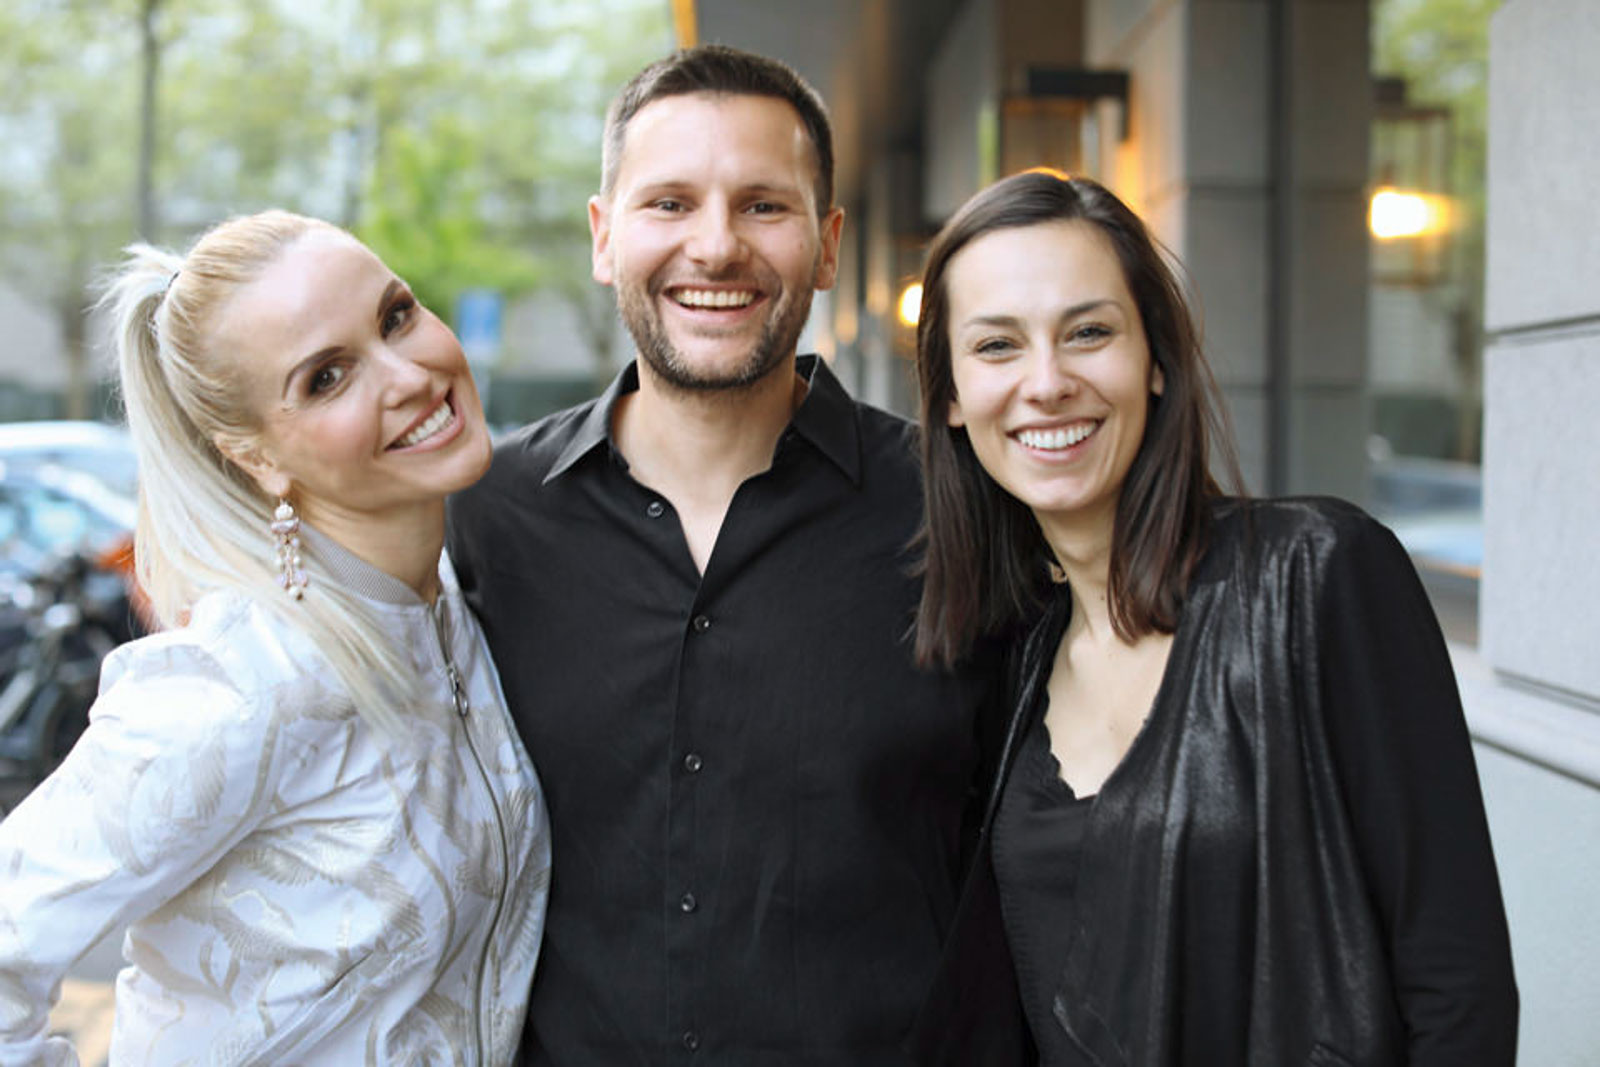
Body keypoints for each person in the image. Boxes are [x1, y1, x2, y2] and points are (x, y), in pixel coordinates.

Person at [446, 45, 1004, 1065]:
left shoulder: (963, 505)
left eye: (763, 205)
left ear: (827, 245)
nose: (714, 246)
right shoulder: (484, 515)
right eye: (669, 203)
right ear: (603, 237)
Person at [907, 170, 1518, 1066]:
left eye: (1089, 332)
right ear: (953, 398)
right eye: (997, 345)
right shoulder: (1017, 660)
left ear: (1155, 359)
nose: (1047, 382)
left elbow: (1459, 984)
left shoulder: (1316, 576)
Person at [0, 210, 551, 1065]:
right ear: (255, 456)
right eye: (326, 377)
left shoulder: (448, 606)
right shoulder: (239, 680)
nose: (409, 375)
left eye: (396, 315)